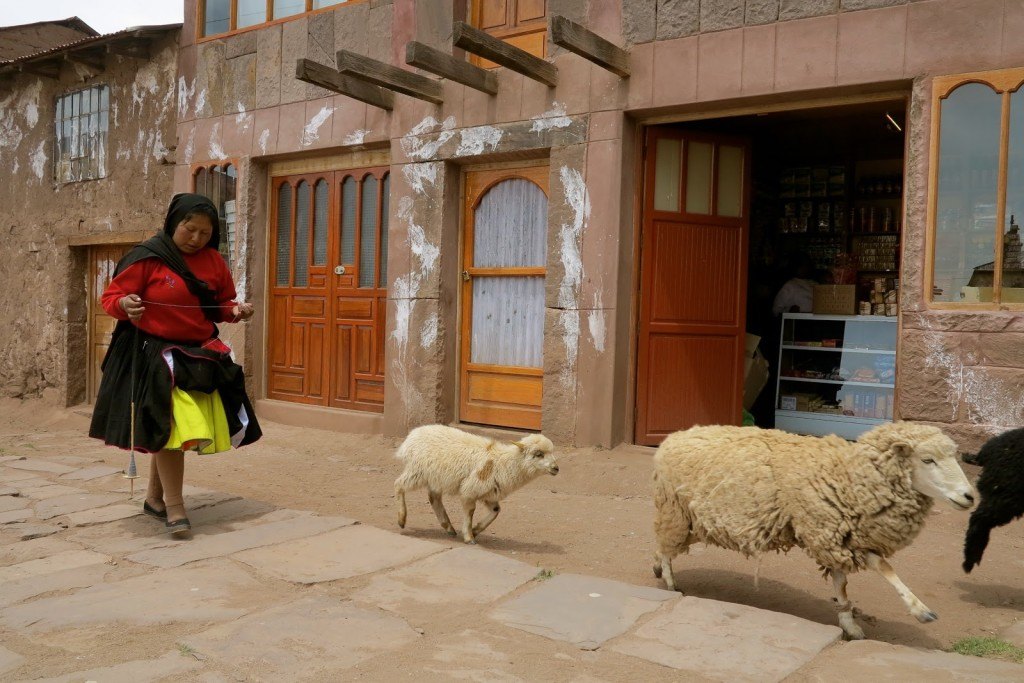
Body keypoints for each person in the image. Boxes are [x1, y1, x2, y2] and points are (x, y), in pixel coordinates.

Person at [89, 193, 262, 535]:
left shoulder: (214, 262)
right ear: (173, 223)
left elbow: (221, 304)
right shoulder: (147, 258)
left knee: (169, 430)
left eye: (205, 232)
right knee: (175, 429)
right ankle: (175, 509)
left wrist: (236, 310)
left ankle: (155, 498)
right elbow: (110, 298)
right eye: (189, 228)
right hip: (155, 355)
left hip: (197, 356)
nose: (196, 238)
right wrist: (126, 303)